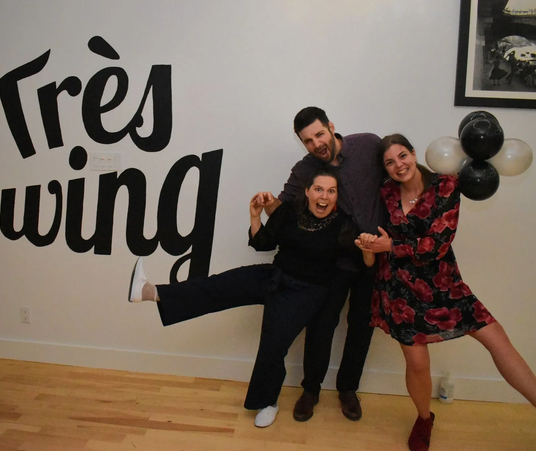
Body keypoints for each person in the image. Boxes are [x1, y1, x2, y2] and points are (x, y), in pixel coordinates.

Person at [129, 168, 374, 428]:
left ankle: (268, 402)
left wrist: (369, 249)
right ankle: (150, 292)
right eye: (319, 189)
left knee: (273, 344)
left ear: (336, 197)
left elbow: (364, 262)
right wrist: (255, 216)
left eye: (331, 191)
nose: (324, 196)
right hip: (273, 275)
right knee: (218, 286)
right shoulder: (289, 211)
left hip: (306, 292)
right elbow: (263, 243)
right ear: (308, 192)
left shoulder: (343, 225)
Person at [356, 133, 536, 451]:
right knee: (417, 363)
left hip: (444, 284)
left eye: (402, 156)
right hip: (400, 290)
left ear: (413, 154)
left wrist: (391, 245)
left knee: (498, 339)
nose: (398, 165)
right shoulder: (385, 191)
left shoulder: (446, 186)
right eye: (390, 162)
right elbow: (373, 230)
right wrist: (371, 245)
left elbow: (436, 245)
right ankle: (424, 418)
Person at [264, 106, 385, 422]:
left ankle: (347, 389)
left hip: (375, 258)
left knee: (361, 326)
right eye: (307, 140)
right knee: (321, 325)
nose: (316, 143)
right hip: (334, 261)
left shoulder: (369, 145)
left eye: (319, 134)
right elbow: (282, 210)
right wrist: (266, 206)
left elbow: (400, 170)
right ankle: (311, 390)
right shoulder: (305, 170)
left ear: (331, 127)